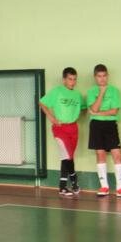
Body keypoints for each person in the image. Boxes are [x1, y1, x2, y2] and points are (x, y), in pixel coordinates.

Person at [39, 67, 86, 196]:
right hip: (60, 128)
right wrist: (51, 117)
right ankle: (74, 181)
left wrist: (75, 115)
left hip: (73, 128)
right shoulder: (57, 91)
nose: (73, 82)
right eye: (70, 79)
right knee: (67, 155)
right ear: (64, 79)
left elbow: (83, 108)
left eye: (75, 79)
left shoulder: (77, 95)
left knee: (67, 156)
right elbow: (42, 103)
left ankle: (63, 187)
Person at [87, 64, 121, 198]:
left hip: (110, 125)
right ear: (95, 77)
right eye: (99, 76)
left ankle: (120, 188)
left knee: (117, 154)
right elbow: (93, 108)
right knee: (100, 154)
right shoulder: (91, 91)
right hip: (96, 125)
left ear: (107, 76)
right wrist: (101, 93)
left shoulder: (115, 91)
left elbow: (114, 111)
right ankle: (104, 186)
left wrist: (97, 113)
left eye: (104, 76)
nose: (102, 79)